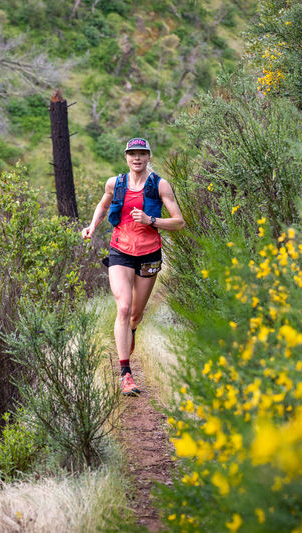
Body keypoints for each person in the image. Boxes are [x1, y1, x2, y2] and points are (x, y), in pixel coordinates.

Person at [81, 138, 185, 395]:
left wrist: (151, 220)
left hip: (149, 253)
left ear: (149, 156)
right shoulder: (114, 184)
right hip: (120, 250)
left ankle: (133, 330)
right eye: (132, 154)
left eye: (141, 153)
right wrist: (92, 226)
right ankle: (125, 373)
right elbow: (103, 205)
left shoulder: (160, 185)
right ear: (126, 157)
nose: (136, 158)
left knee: (136, 314)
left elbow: (179, 222)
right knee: (124, 307)